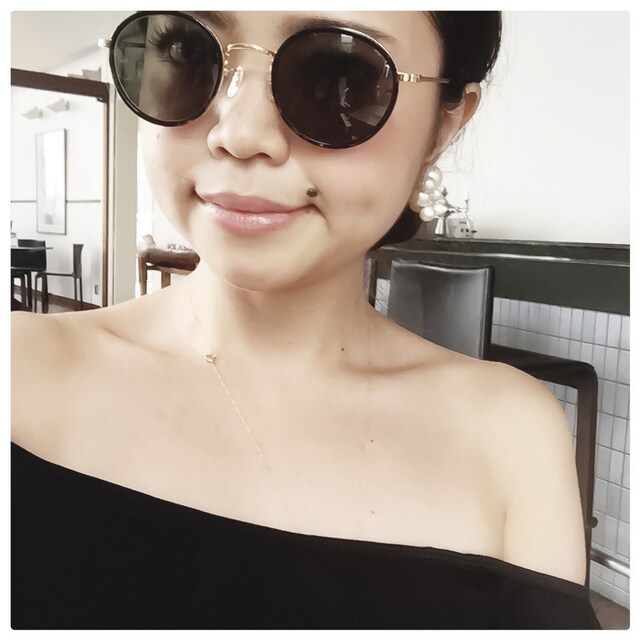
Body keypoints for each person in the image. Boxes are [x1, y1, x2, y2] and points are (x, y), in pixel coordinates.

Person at [11, 10, 601, 630]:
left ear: (443, 125)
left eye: (338, 73)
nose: (240, 133)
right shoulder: (20, 373)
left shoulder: (509, 440)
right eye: (187, 50)